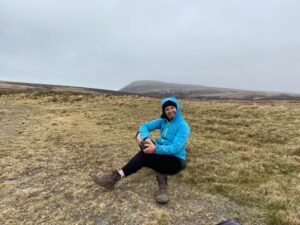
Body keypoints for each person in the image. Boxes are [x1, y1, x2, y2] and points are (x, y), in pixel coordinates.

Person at [90, 97, 190, 204]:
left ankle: (115, 177)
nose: (170, 111)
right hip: (161, 153)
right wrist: (147, 139)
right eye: (167, 109)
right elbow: (144, 126)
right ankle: (158, 170)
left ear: (177, 108)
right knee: (139, 135)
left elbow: (175, 148)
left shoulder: (183, 126)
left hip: (175, 161)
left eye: (172, 108)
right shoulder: (163, 121)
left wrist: (155, 149)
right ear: (164, 111)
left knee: (144, 155)